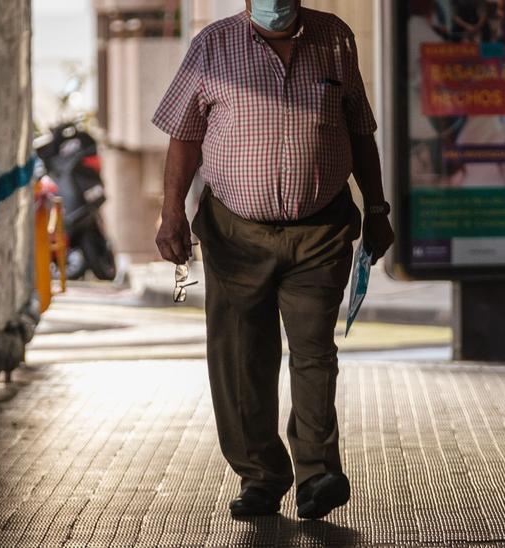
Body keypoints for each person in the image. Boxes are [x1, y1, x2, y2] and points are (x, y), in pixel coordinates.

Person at [151, 0, 394, 520]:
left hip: (320, 230)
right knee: (242, 358)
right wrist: (171, 212)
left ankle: (317, 473)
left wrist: (376, 208)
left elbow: (360, 131)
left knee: (313, 354)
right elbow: (184, 136)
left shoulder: (335, 38)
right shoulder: (211, 46)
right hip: (235, 234)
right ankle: (260, 476)